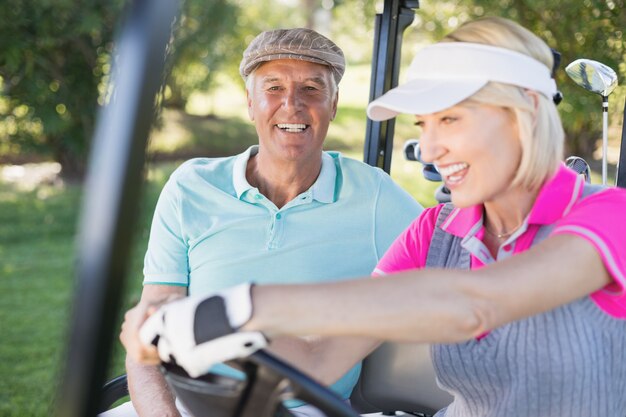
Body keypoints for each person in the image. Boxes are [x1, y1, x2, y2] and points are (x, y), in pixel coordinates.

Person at [124, 17, 626, 417]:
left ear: (528, 113)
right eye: (422, 124)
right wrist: (207, 336)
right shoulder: (433, 233)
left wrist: (241, 307)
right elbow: (320, 359)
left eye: (450, 118)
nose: (428, 147)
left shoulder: (610, 218)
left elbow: (476, 305)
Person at [106, 28, 422, 417]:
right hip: (182, 403)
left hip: (303, 408)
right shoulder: (191, 187)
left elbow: (453, 261)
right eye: (273, 88)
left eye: (311, 88)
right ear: (250, 104)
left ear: (334, 103)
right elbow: (149, 324)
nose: (291, 105)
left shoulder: (374, 195)